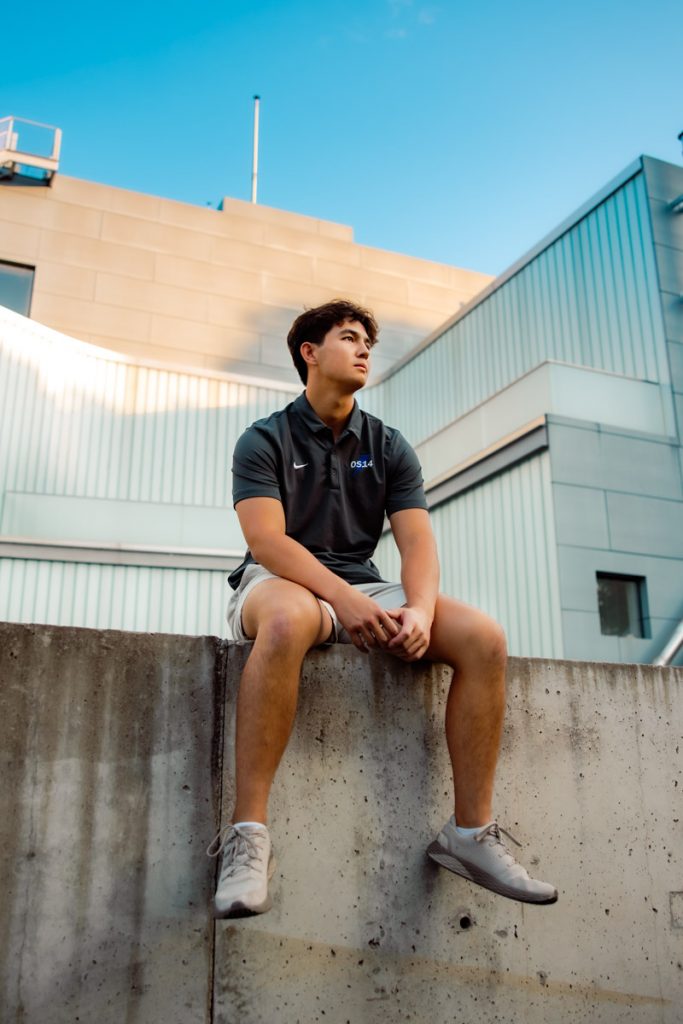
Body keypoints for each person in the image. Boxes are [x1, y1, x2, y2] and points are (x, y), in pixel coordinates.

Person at [207, 299, 558, 917]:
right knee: (289, 620)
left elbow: (418, 544)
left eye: (368, 339)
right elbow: (268, 540)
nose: (365, 347)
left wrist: (419, 611)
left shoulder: (389, 446)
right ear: (309, 354)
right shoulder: (263, 438)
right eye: (350, 337)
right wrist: (340, 599)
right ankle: (247, 837)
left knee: (483, 637)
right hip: (281, 582)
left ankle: (470, 834)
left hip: (362, 588)